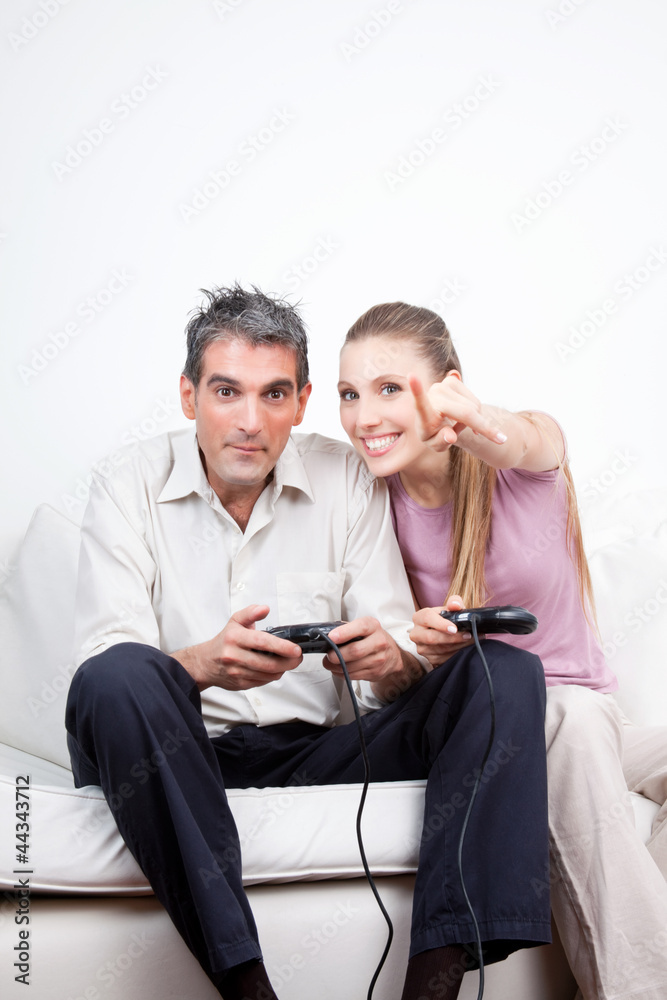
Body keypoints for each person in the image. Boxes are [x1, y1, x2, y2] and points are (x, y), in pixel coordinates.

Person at [65, 285, 551, 1000]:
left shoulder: (344, 476)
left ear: (301, 402)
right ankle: (248, 990)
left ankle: (434, 987)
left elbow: (393, 648)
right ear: (188, 396)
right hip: (176, 755)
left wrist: (388, 662)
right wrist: (201, 665)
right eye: (226, 392)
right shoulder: (126, 483)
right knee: (116, 675)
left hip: (317, 750)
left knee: (502, 671)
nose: (250, 421)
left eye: (274, 394)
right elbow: (108, 666)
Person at [337, 300, 667, 1000]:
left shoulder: (524, 462)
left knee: (581, 718)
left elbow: (526, 441)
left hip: (590, 714)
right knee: (571, 719)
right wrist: (427, 653)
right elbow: (395, 662)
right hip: (502, 726)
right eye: (349, 394)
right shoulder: (368, 504)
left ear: (448, 387)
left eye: (389, 388)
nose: (364, 416)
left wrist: (479, 423)